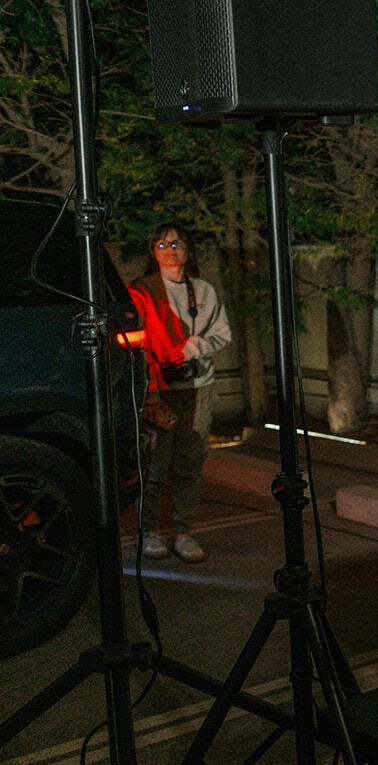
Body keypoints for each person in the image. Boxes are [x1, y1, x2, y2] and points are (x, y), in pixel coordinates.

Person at [128, 221, 233, 563]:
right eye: (162, 244)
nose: (170, 250)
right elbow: (134, 340)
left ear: (188, 250)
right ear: (152, 251)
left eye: (177, 244)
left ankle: (184, 532)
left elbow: (222, 333)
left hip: (199, 387)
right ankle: (149, 531)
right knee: (153, 466)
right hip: (158, 391)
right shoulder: (143, 290)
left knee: (190, 463)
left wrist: (191, 348)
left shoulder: (203, 290)